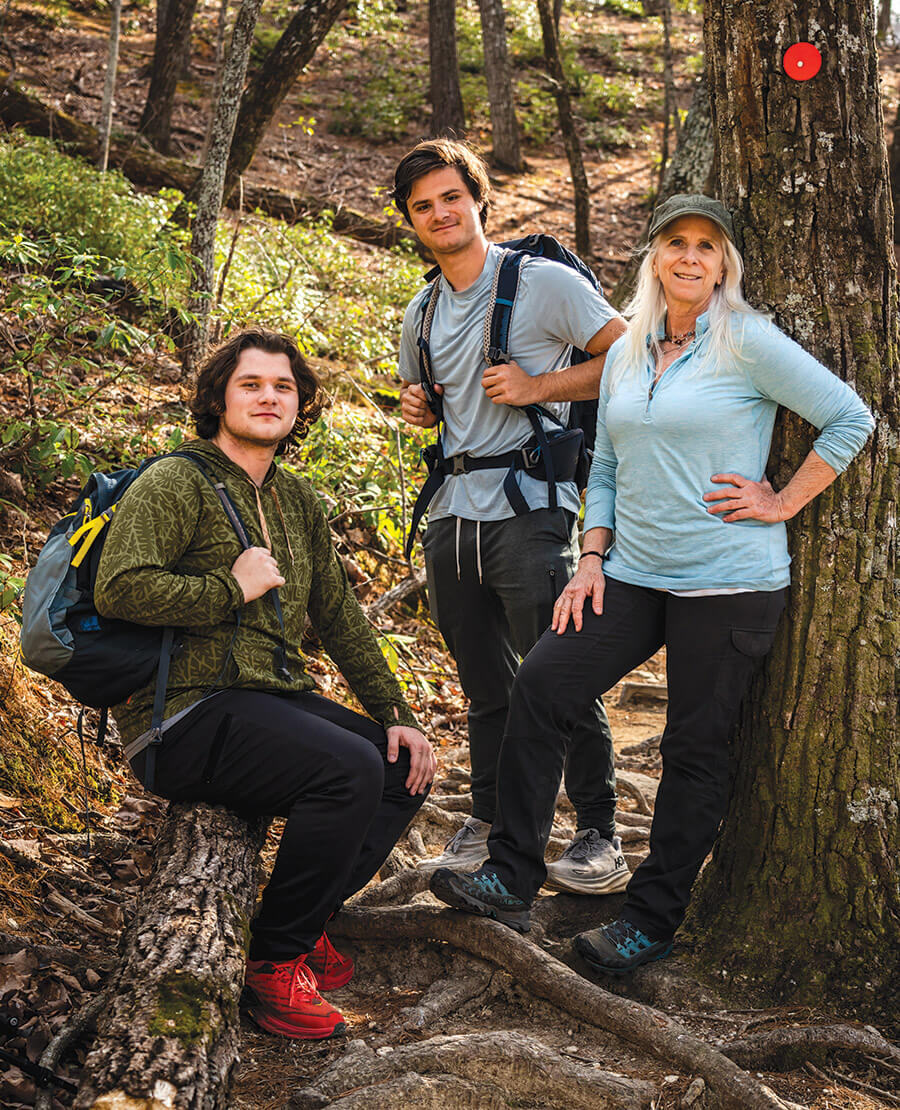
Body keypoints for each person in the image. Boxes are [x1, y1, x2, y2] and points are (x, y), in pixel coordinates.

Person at [430, 194, 875, 967]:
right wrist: (593, 555)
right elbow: (603, 460)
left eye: (708, 245)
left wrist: (781, 500)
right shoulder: (632, 346)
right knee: (542, 683)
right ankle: (510, 877)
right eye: (676, 243)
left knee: (693, 748)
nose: (691, 257)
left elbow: (849, 418)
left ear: (725, 264)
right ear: (655, 257)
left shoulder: (749, 342)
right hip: (632, 574)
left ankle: (650, 922)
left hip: (728, 583)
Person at [94, 327, 437, 1039]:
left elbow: (340, 615)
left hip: (264, 699)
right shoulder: (176, 481)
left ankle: (303, 920)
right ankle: (273, 964)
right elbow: (119, 589)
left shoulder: (295, 500)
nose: (269, 397)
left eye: (283, 387)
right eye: (251, 384)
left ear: (299, 405)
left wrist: (396, 710)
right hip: (180, 716)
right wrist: (229, 587)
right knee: (348, 769)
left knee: (402, 765)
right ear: (219, 397)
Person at [392, 138, 628, 893]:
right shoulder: (420, 310)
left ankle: (598, 831)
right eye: (423, 206)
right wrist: (417, 408)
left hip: (532, 509)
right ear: (410, 221)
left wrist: (539, 387)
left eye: (450, 197)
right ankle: (491, 819)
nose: (439, 214)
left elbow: (634, 358)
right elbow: (429, 412)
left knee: (557, 672)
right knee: (485, 684)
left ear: (478, 199)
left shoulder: (544, 284)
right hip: (451, 518)